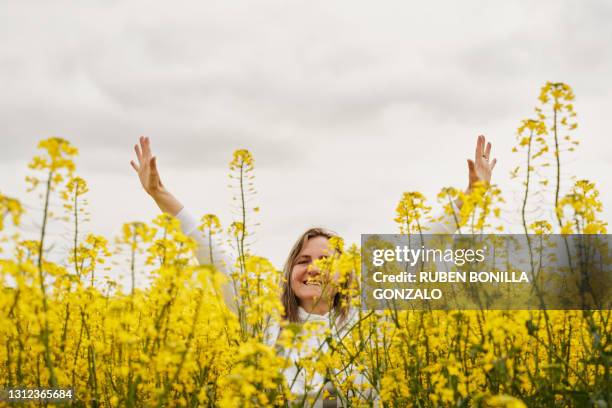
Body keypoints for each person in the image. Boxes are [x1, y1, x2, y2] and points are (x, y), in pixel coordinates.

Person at [130, 135, 497, 406]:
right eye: (303, 261)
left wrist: (470, 199)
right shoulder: (264, 318)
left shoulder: (370, 319)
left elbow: (418, 248)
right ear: (289, 272)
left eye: (326, 261)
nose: (312, 269)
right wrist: (161, 194)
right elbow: (215, 256)